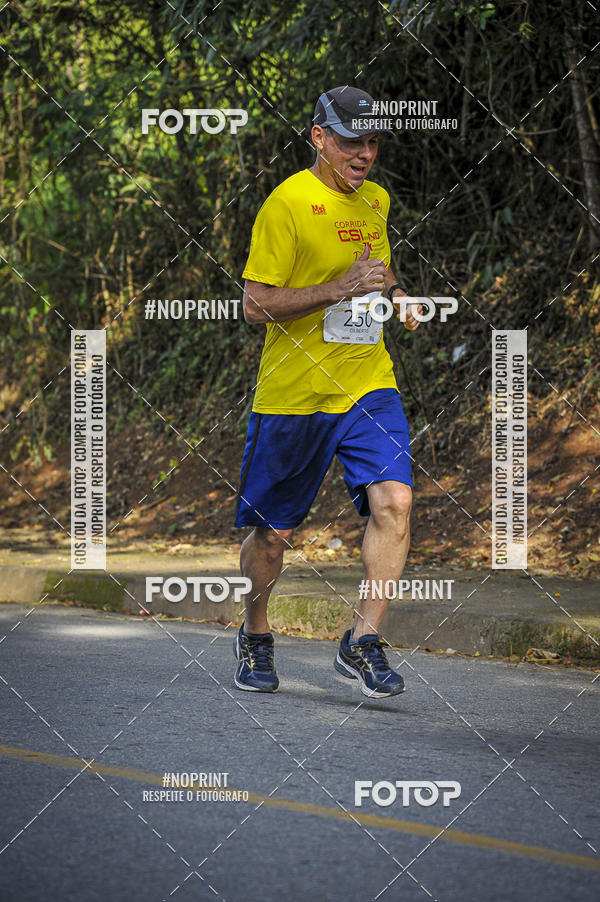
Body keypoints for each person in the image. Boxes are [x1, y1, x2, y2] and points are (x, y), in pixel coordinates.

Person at [233, 86, 422, 697]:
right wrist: (337, 289)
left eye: (372, 142)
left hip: (367, 382)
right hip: (296, 394)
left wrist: (397, 294)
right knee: (273, 534)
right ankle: (255, 634)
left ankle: (363, 640)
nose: (363, 153)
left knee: (395, 501)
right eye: (350, 141)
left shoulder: (376, 200)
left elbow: (378, 266)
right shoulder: (286, 204)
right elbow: (255, 304)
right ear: (319, 137)